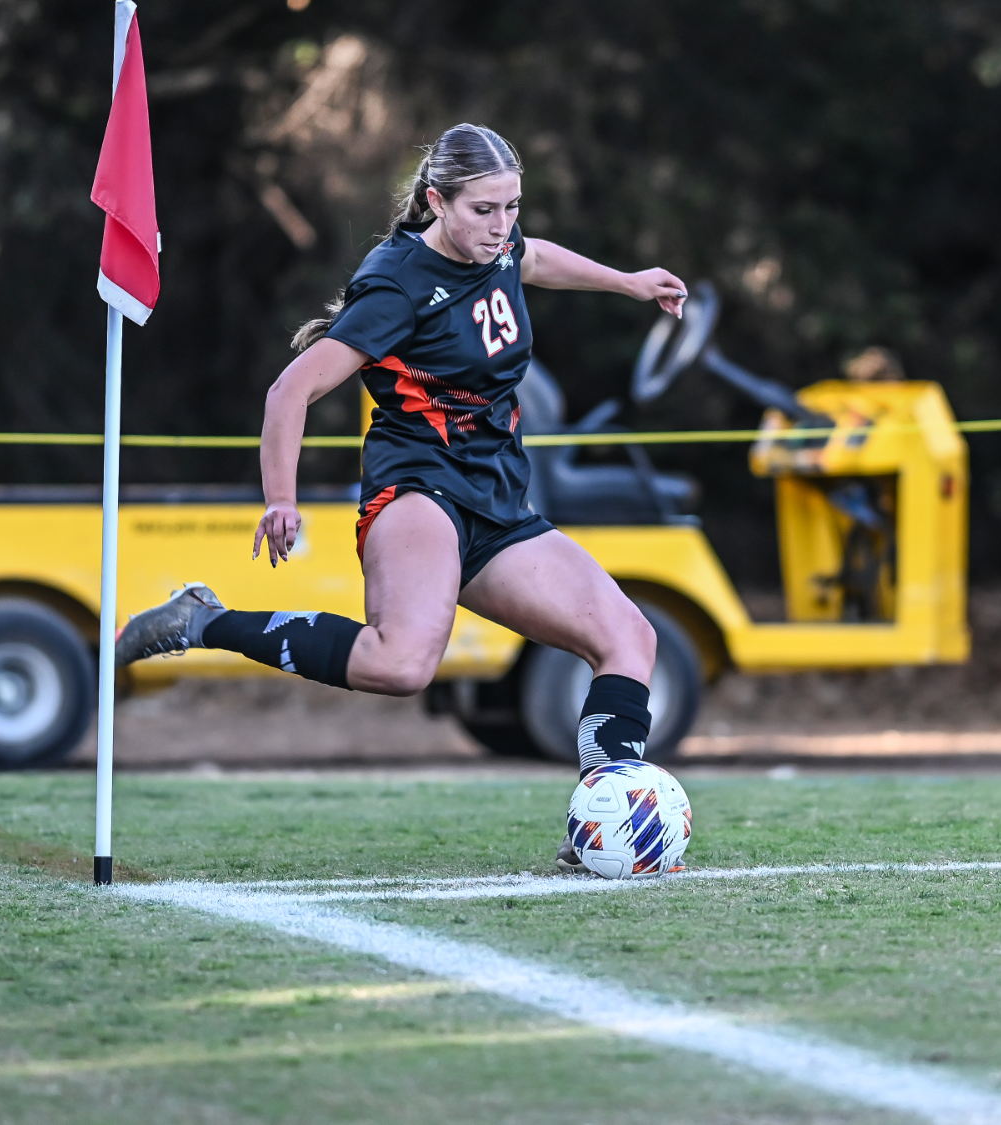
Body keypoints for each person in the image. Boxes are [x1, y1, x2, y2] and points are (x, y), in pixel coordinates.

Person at [115, 123, 690, 859]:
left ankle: (599, 830)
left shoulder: (503, 245)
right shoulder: (398, 283)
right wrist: (280, 498)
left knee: (628, 638)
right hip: (419, 490)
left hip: (499, 500)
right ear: (435, 202)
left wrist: (628, 282)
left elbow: (534, 259)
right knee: (401, 665)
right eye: (484, 210)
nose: (502, 226)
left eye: (513, 206)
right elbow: (290, 392)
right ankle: (203, 620)